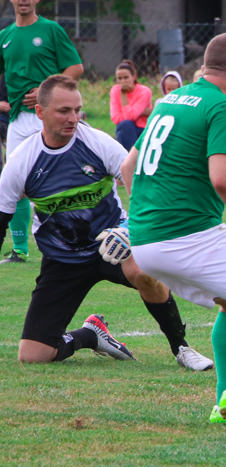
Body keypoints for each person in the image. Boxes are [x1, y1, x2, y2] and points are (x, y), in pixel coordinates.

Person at [121, 33, 226, 430]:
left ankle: (224, 405)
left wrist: (147, 216)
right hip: (188, 234)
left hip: (145, 240)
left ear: (204, 68)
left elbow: (128, 169)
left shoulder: (170, 102)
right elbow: (224, 178)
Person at [0, 74, 213, 370]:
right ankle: (90, 335)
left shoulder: (98, 144)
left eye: (77, 110)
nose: (73, 118)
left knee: (143, 269)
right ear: (40, 112)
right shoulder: (23, 160)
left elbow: (144, 194)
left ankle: (181, 348)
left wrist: (129, 230)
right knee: (33, 355)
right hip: (62, 259)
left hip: (112, 246)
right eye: (64, 111)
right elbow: (2, 217)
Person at [0, 0, 83, 264]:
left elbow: (75, 68)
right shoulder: (5, 36)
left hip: (48, 116)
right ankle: (20, 249)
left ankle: (70, 238)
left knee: (60, 179)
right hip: (19, 120)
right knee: (12, 181)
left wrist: (47, 90)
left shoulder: (51, 30)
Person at [110, 59, 153, 151]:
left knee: (126, 124)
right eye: (119, 78)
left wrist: (124, 98)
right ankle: (127, 159)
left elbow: (131, 115)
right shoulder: (115, 90)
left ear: (133, 77)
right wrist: (142, 112)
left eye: (126, 77)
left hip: (142, 130)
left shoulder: (144, 91)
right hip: (125, 129)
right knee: (126, 125)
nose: (123, 81)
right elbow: (115, 118)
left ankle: (131, 160)